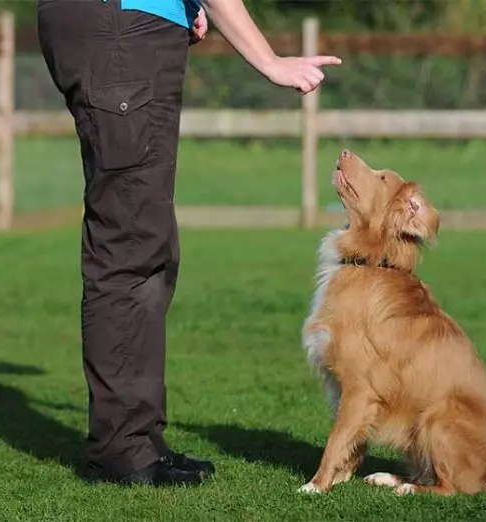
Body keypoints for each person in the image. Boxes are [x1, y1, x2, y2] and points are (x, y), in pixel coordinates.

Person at [37, 0, 341, 487]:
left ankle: (139, 441)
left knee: (145, 243)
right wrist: (267, 58)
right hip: (121, 26)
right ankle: (124, 451)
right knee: (130, 244)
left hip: (121, 25)